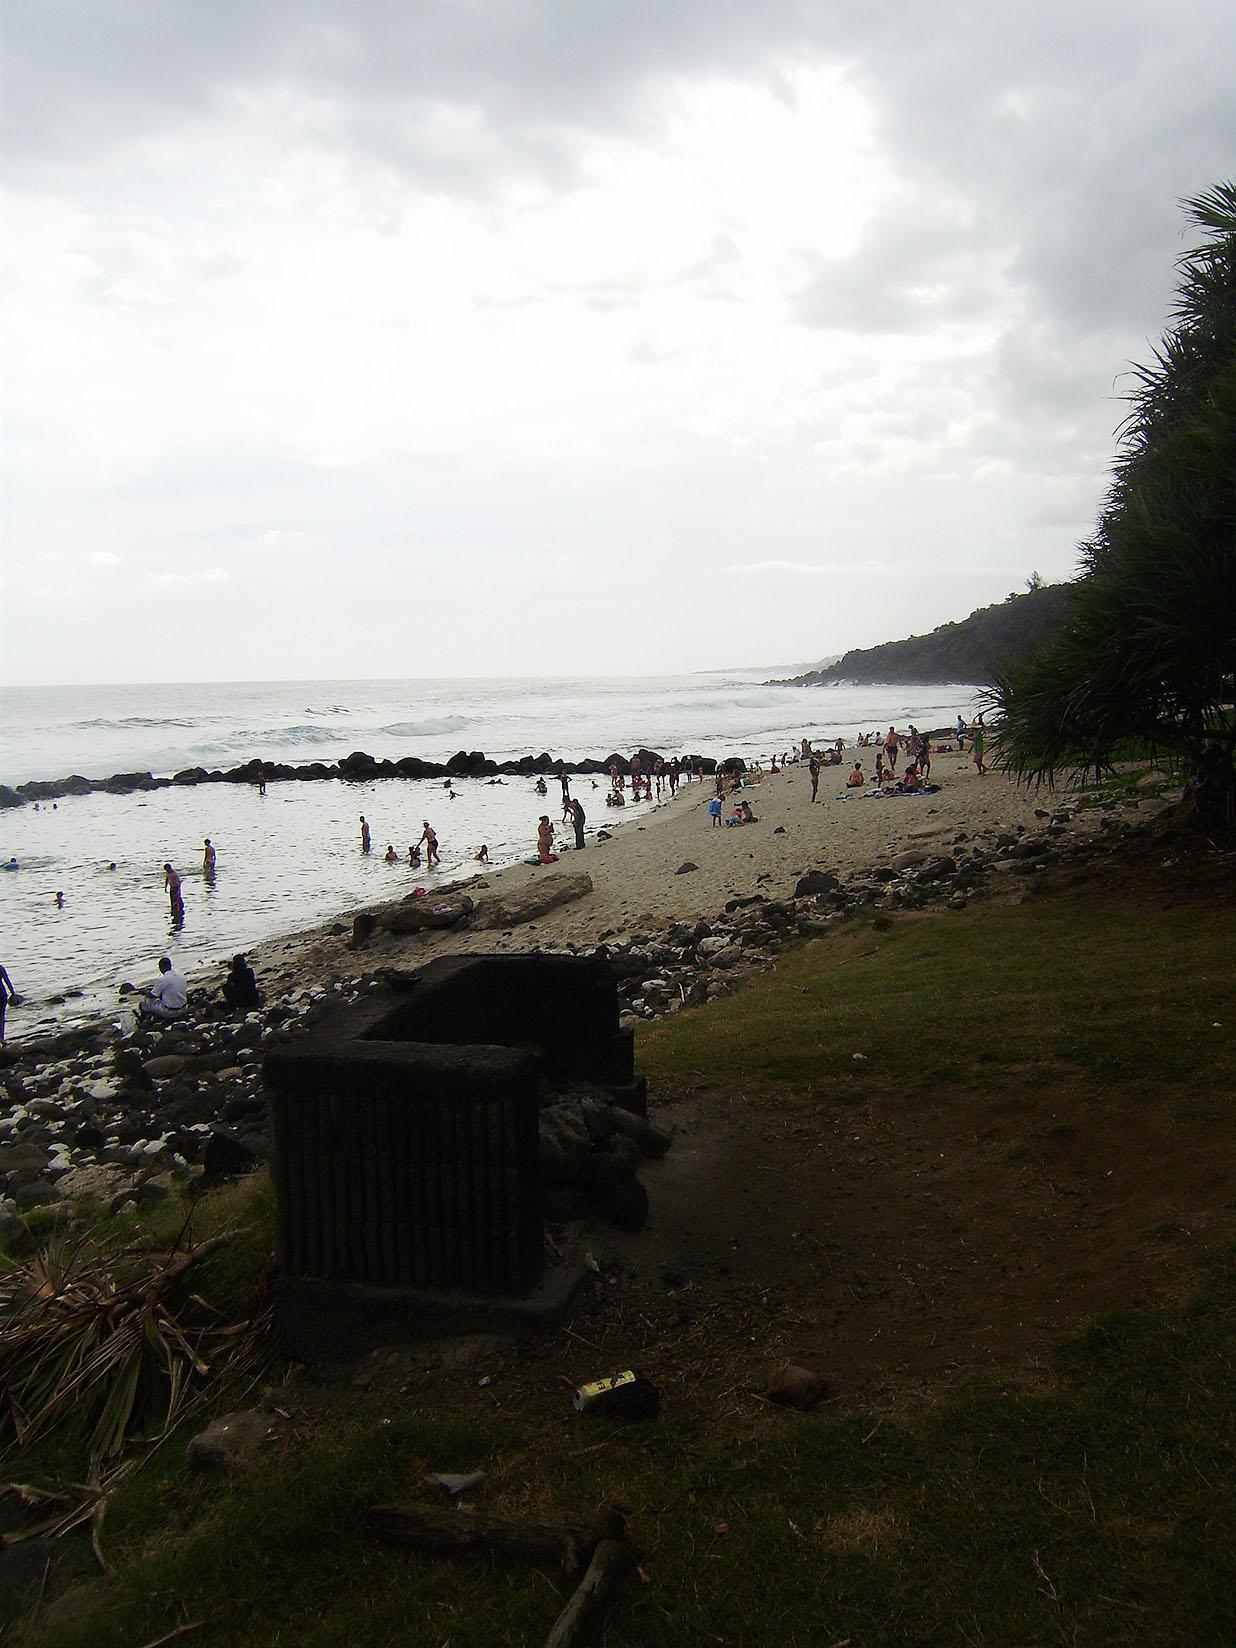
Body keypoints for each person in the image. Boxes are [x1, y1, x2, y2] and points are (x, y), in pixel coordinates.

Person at [139, 956, 188, 1023]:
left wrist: (145, 992)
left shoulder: (163, 979)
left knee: (143, 1002)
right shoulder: (181, 976)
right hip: (184, 1008)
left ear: (160, 968)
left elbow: (152, 995)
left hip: (171, 1012)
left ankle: (144, 1021)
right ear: (170, 965)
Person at [0, 963, 17, 1045]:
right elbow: (7, 981)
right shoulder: (1, 968)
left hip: (2, 996)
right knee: (1, 1017)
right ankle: (1, 1038)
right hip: (2, 995)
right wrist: (13, 993)